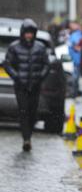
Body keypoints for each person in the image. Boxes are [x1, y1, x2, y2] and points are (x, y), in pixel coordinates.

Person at [4, 19, 49, 151]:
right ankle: (26, 138)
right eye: (27, 33)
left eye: (31, 33)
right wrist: (16, 76)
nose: (29, 36)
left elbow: (46, 64)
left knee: (32, 112)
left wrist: (41, 75)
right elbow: (7, 64)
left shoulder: (40, 47)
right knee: (23, 111)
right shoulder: (14, 47)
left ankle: (28, 133)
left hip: (35, 85)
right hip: (21, 86)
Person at [68, 20, 82, 98]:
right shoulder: (74, 35)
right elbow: (70, 48)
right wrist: (72, 57)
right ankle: (74, 95)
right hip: (77, 61)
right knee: (75, 79)